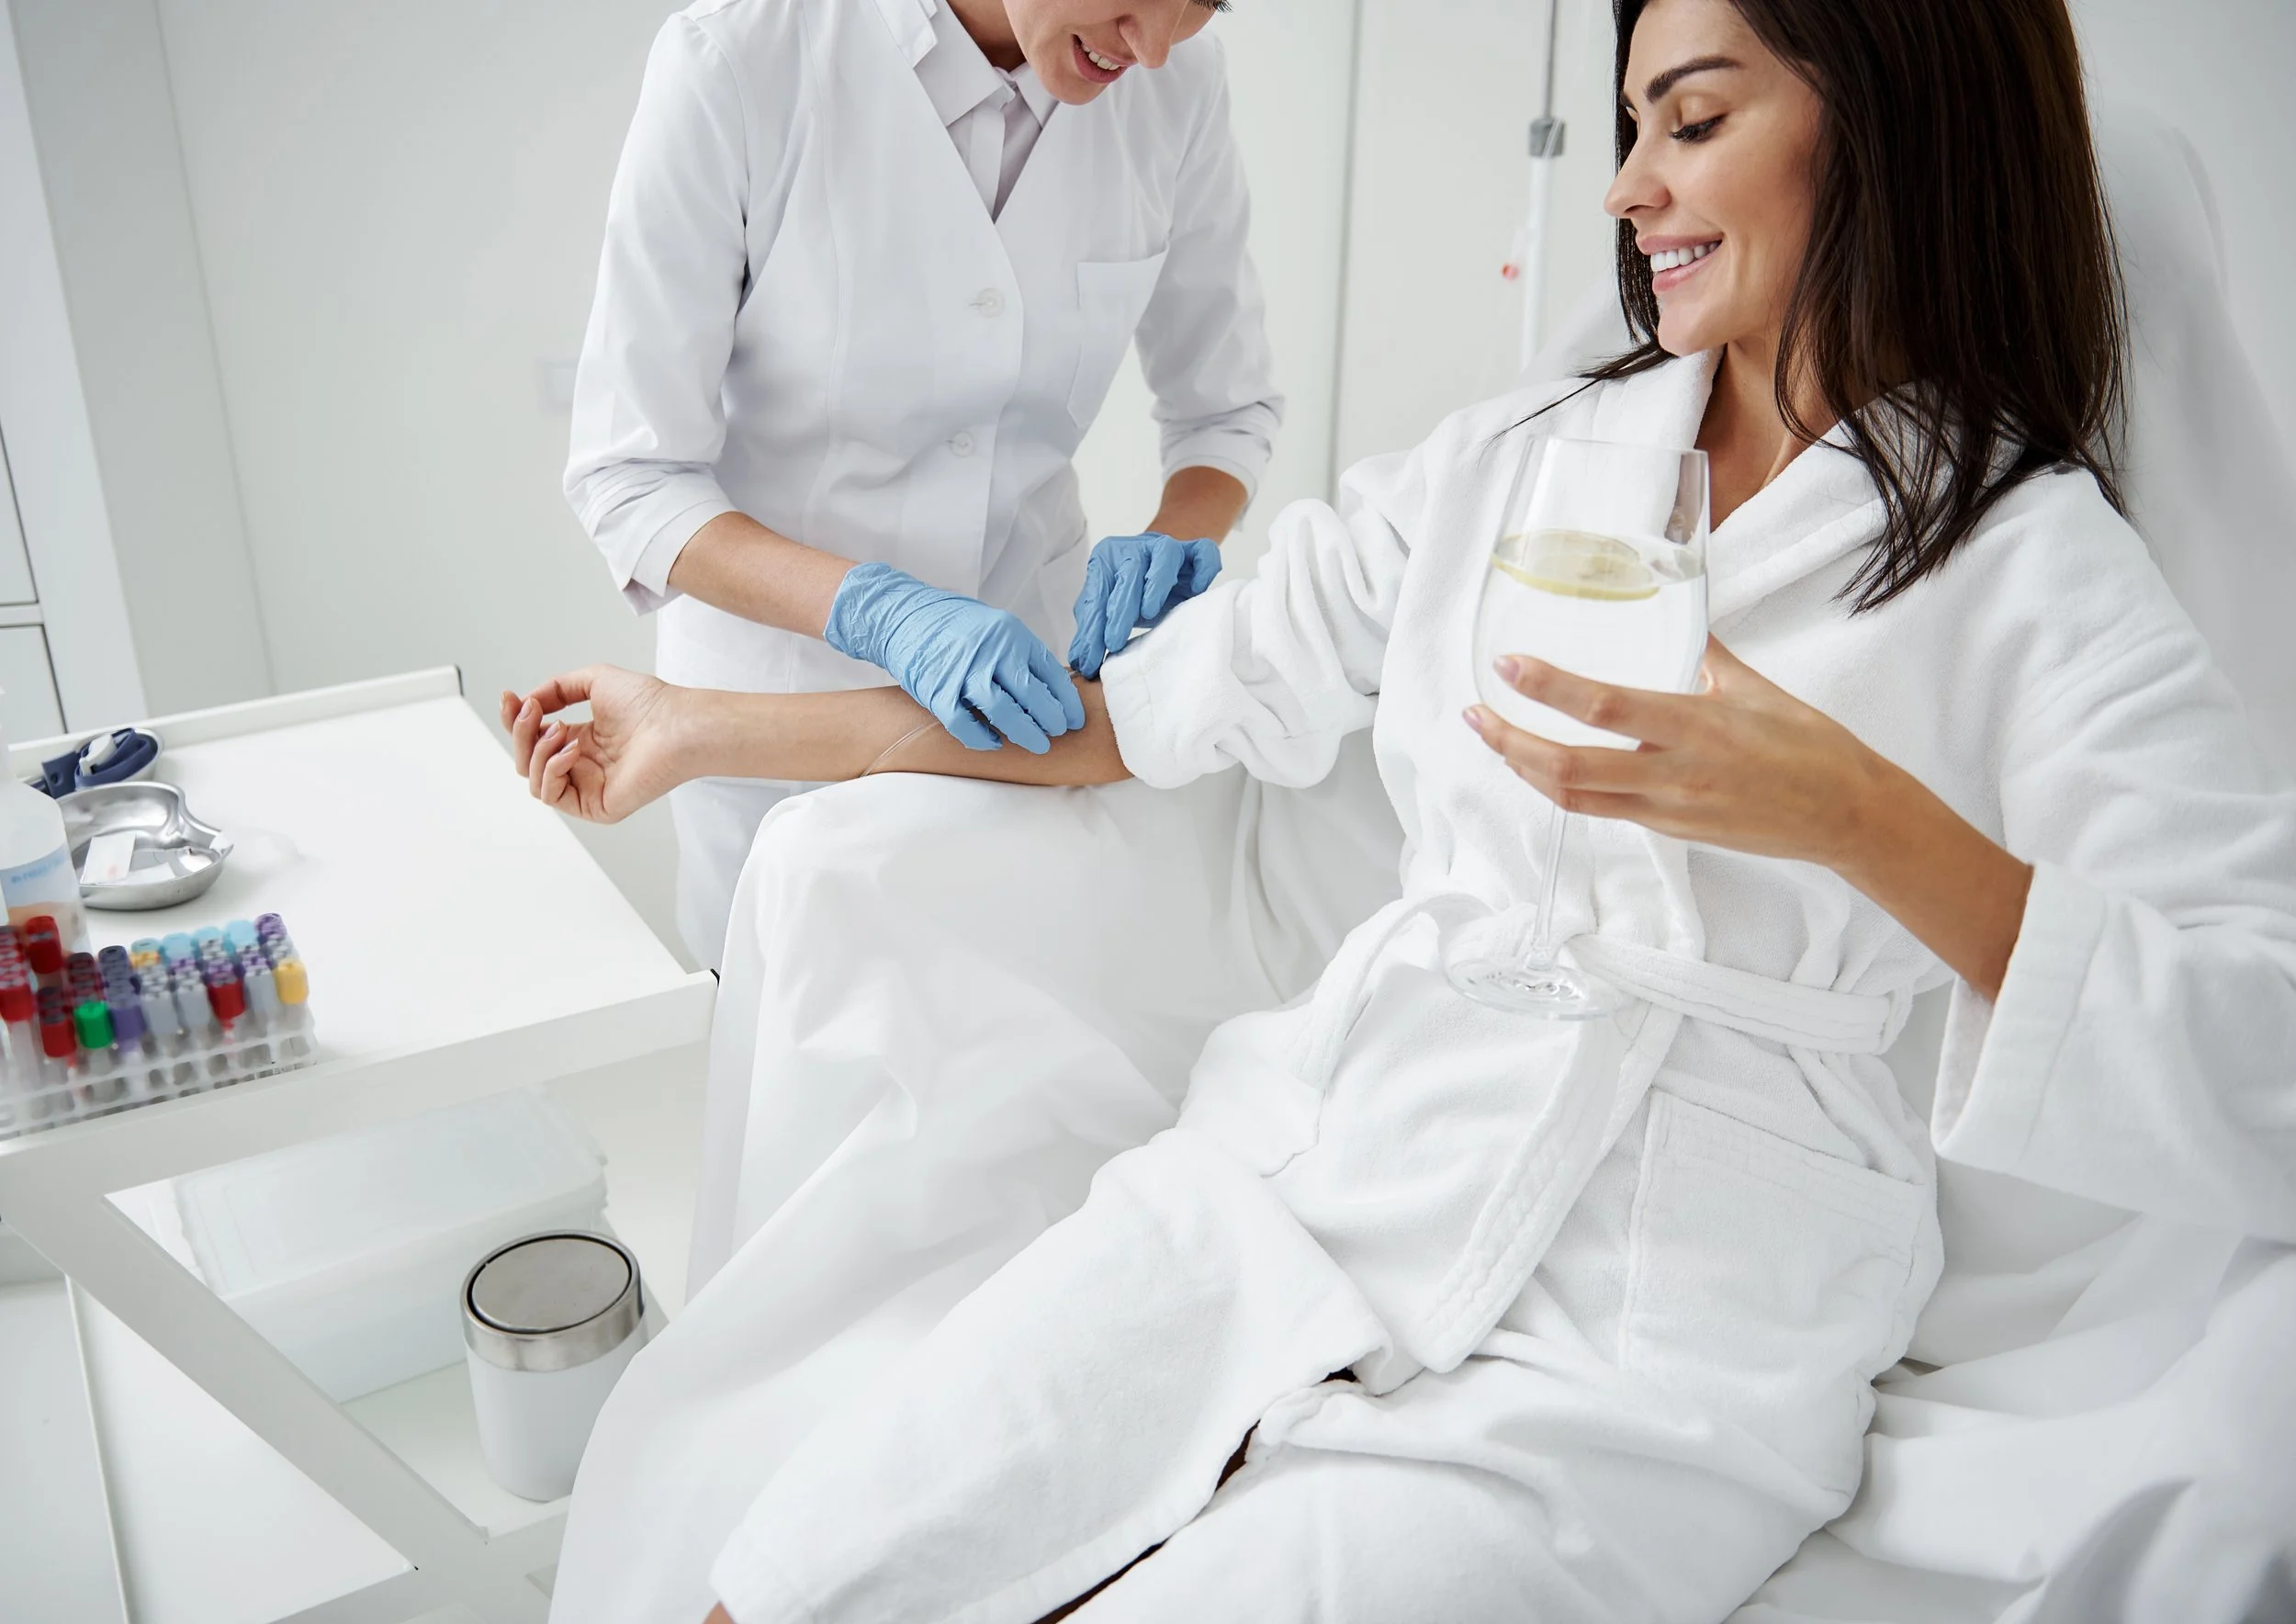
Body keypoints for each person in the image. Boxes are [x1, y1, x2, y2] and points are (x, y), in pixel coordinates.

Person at [512, 0, 2296, 1616]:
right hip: (1310, 1176)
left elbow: (2261, 1042)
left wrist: (1859, 818)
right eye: (1624, 129)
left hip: (1655, 1344)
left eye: (1685, 123)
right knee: (805, 1561)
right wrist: (698, 721)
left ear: (1886, 116)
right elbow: (1116, 721)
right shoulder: (1521, 465)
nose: (1622, 191)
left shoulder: (2025, 562)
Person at [565, 0, 1279, 966]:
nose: (1149, 47)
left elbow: (1224, 411)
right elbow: (633, 476)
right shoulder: (738, 60)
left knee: (1014, 1051)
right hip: (770, 727)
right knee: (793, 1071)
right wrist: (878, 610)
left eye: (1199, 7)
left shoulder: (1176, 91)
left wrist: (1179, 532)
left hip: (1023, 714)